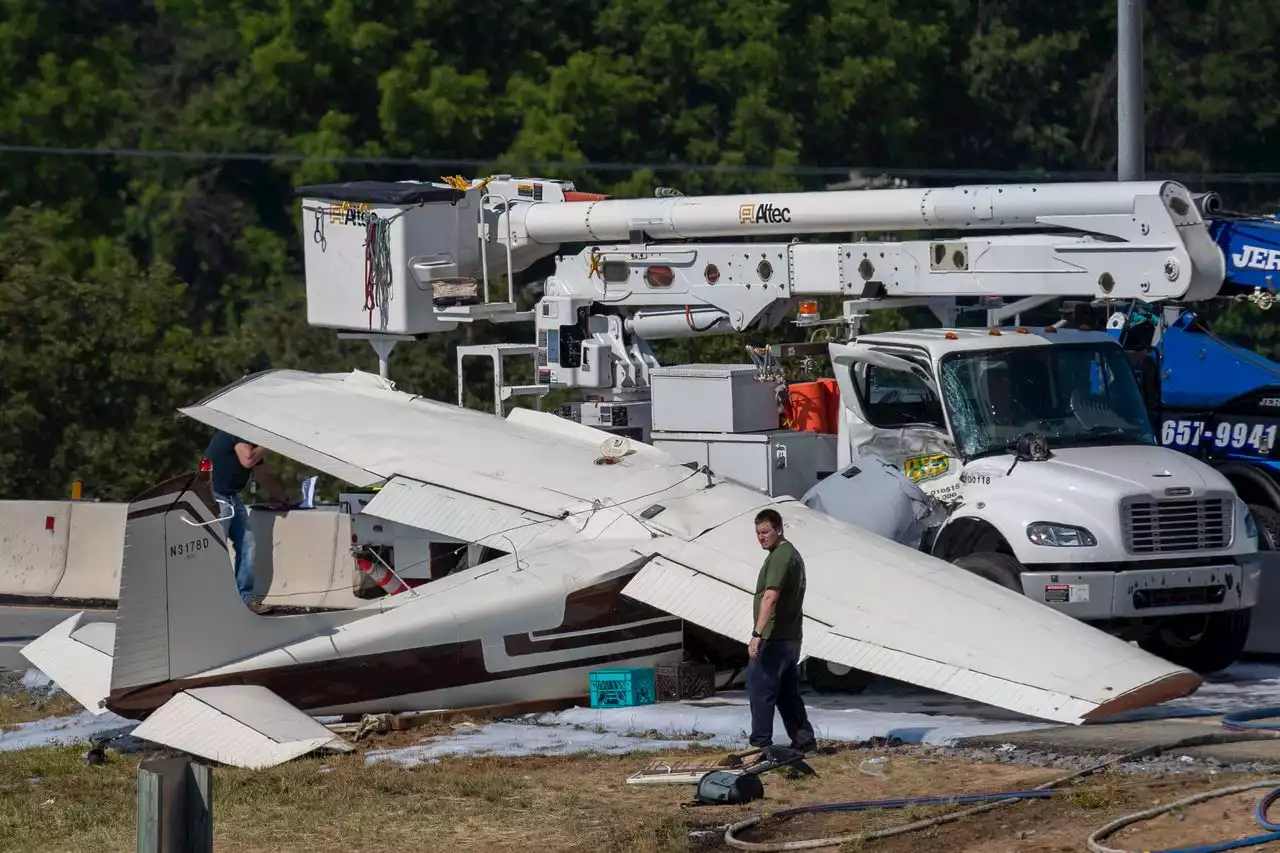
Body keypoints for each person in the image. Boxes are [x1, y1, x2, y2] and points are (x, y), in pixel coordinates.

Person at [747, 508, 816, 756]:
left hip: (774, 637)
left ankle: (760, 745)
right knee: (787, 694)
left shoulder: (780, 557)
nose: (761, 537)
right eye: (758, 533)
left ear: (779, 529)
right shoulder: (792, 554)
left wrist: (757, 634)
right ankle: (805, 742)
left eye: (765, 532)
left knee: (760, 691)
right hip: (791, 637)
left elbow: (770, 596)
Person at [204, 430, 291, 614]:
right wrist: (269, 443)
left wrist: (284, 499)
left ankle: (245, 600)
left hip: (231, 497)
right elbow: (248, 460)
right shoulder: (236, 430)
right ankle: (210, 600)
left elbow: (262, 477)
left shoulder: (253, 443)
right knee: (215, 549)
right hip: (216, 497)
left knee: (248, 544)